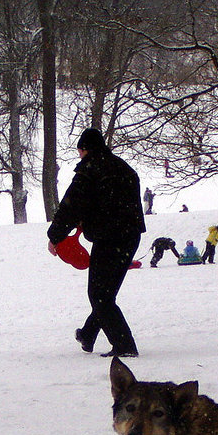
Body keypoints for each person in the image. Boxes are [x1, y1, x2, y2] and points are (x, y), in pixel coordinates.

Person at [47, 128, 145, 358]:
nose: (80, 156)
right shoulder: (123, 167)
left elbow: (71, 206)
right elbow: (115, 203)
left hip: (109, 237)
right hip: (130, 237)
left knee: (99, 294)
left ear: (84, 149)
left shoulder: (90, 170)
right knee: (106, 292)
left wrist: (55, 235)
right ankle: (88, 334)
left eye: (80, 151)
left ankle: (124, 345)